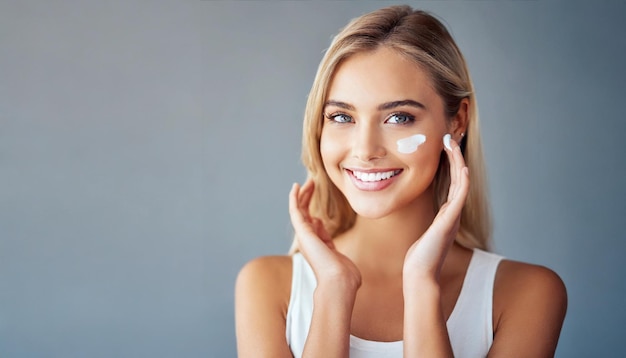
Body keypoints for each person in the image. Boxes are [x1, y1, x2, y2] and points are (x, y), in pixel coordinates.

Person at [235, 5, 567, 357]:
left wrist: (422, 285)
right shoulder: (268, 286)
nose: (365, 150)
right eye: (342, 116)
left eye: (398, 117)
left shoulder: (526, 294)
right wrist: (333, 289)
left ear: (457, 122)